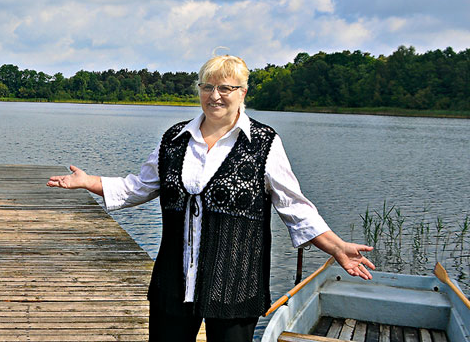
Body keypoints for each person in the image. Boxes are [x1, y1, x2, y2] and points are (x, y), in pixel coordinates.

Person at [46, 54, 375, 342]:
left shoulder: (264, 143)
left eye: (225, 88)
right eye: (207, 87)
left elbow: (295, 208)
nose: (214, 95)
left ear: (242, 93)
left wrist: (336, 247)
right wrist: (89, 181)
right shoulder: (174, 139)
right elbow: (139, 186)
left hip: (236, 285)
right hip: (174, 285)